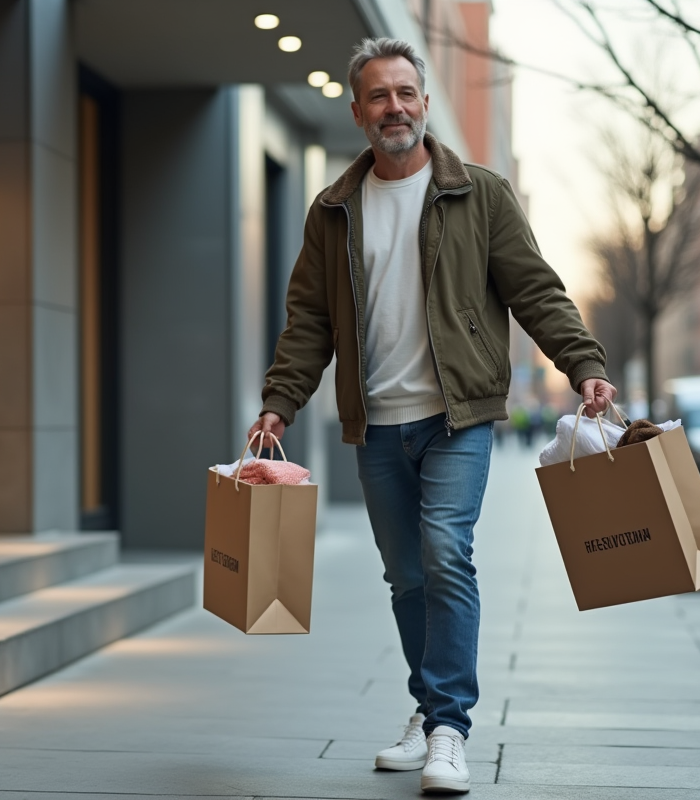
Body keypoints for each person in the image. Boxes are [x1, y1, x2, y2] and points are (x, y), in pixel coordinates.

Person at [247, 37, 617, 794]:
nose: (396, 107)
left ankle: (449, 727)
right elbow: (308, 320)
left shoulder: (478, 193)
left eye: (406, 93)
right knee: (406, 577)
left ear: (422, 101)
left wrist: (583, 364)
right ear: (357, 112)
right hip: (377, 423)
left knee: (447, 555)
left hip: (459, 417)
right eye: (379, 96)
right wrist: (280, 404)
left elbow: (535, 290)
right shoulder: (333, 210)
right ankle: (426, 709)